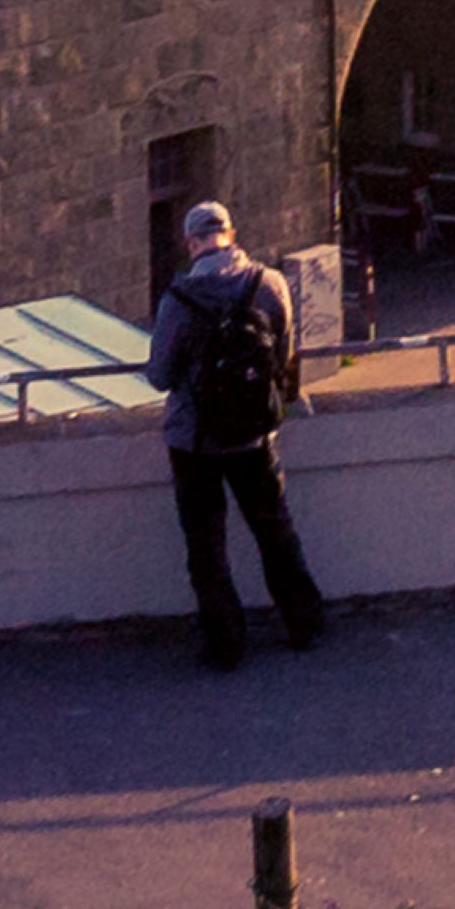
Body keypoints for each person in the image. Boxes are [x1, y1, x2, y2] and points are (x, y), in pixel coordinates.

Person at [154, 193, 329, 667]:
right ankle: (304, 623)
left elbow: (159, 374)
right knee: (274, 529)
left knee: (206, 545)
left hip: (194, 441)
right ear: (231, 236)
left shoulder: (178, 299)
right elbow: (285, 355)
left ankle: (225, 644)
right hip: (255, 434)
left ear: (192, 243)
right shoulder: (268, 283)